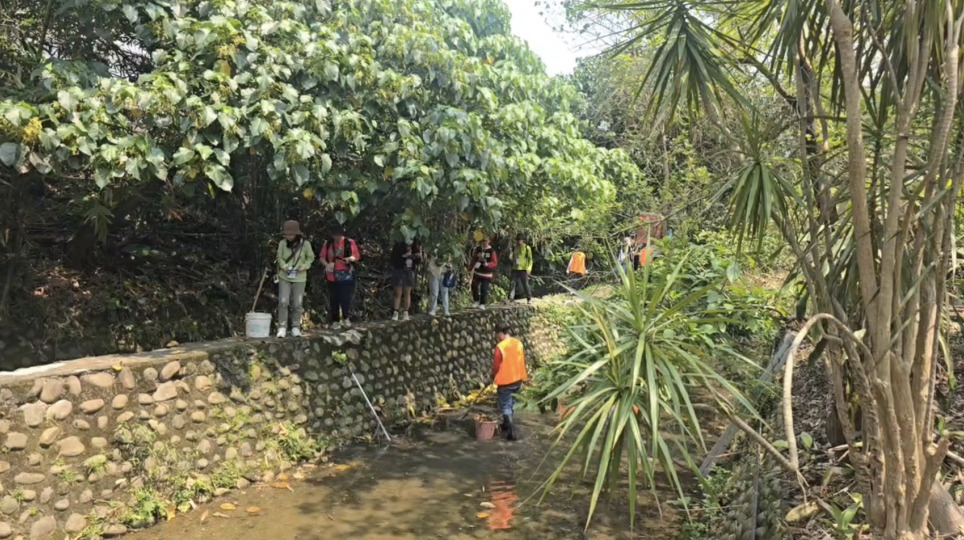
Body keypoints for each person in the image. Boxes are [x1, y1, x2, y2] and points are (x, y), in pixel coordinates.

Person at [275, 220, 315, 338]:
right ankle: (282, 327)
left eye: (291, 234)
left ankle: (296, 327)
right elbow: (279, 257)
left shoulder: (305, 244)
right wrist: (284, 266)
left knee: (297, 303)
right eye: (287, 234)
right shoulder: (282, 243)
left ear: (297, 234)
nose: (289, 236)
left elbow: (311, 257)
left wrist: (305, 266)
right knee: (283, 301)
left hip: (300, 277)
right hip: (285, 276)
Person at [320, 226, 361, 330]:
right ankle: (335, 320)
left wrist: (350, 259)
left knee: (345, 297)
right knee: (334, 298)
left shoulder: (349, 242)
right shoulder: (328, 243)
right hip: (332, 275)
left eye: (339, 235)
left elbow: (356, 256)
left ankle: (346, 317)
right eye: (335, 235)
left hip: (346, 274)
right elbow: (322, 257)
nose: (337, 237)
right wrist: (326, 265)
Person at [492, 324, 527, 441]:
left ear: (501, 333)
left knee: (506, 406)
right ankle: (506, 424)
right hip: (518, 379)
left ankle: (512, 431)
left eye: (497, 334)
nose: (497, 337)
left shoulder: (500, 347)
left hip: (505, 381)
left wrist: (493, 376)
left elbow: (496, 366)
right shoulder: (518, 343)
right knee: (511, 403)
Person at [390, 238, 421, 321]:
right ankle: (395, 312)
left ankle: (406, 312)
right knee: (397, 292)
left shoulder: (415, 244)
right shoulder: (398, 244)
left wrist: (416, 256)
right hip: (399, 269)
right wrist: (405, 256)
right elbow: (393, 259)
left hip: (409, 270)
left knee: (407, 292)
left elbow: (418, 261)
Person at [470, 236, 498, 308]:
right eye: (483, 241)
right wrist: (470, 267)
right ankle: (476, 300)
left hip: (487, 273)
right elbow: (474, 258)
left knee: (484, 288)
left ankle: (482, 303)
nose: (484, 242)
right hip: (478, 271)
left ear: (488, 241)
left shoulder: (491, 251)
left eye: (485, 241)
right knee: (474, 286)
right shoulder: (478, 249)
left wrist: (488, 264)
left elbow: (495, 262)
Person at [509, 233, 533, 304]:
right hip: (515, 268)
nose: (519, 241)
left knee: (525, 284)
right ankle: (511, 298)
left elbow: (530, 260)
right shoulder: (515, 247)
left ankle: (529, 298)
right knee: (512, 283)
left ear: (523, 240)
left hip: (523, 269)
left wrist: (529, 268)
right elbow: (513, 257)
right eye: (518, 240)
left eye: (520, 240)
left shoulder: (527, 248)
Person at [427, 252, 453, 317]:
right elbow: (428, 256)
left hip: (444, 271)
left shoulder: (446, 249)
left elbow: (449, 259)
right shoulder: (432, 248)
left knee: (445, 292)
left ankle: (446, 310)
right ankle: (433, 309)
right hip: (433, 271)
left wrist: (449, 266)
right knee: (434, 292)